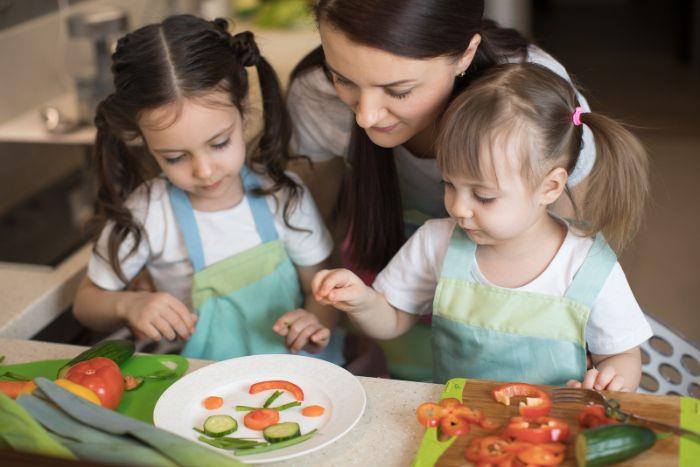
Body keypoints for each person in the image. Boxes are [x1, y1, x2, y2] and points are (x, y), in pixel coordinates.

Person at [287, 0, 597, 381]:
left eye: (398, 90)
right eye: (344, 79)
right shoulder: (316, 96)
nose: (365, 116)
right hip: (385, 285)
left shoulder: (536, 110)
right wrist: (326, 310)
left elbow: (568, 255)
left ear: (465, 54)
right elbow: (316, 229)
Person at [312, 63, 653, 390]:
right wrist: (361, 301)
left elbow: (622, 355)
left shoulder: (587, 264)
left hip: (552, 436)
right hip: (461, 426)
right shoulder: (437, 241)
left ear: (549, 188)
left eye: (484, 196)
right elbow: (392, 320)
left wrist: (612, 379)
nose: (458, 208)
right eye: (449, 184)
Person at [72, 15, 344, 365]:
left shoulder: (284, 196)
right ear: (145, 142)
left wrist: (314, 321)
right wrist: (129, 304)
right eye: (173, 157)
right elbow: (86, 303)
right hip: (198, 381)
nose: (203, 170)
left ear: (244, 111)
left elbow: (319, 291)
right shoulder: (150, 212)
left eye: (218, 143)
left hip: (293, 373)